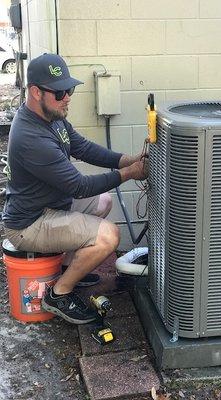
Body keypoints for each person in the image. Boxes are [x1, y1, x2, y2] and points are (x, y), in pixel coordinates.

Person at [2, 53, 148, 324]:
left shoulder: (53, 117)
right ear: (36, 92)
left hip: (52, 205)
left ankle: (70, 270)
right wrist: (130, 173)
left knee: (103, 201)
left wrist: (129, 160)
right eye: (60, 92)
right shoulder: (31, 137)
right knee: (108, 236)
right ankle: (59, 293)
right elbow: (78, 186)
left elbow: (83, 148)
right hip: (29, 223)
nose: (67, 96)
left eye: (68, 89)